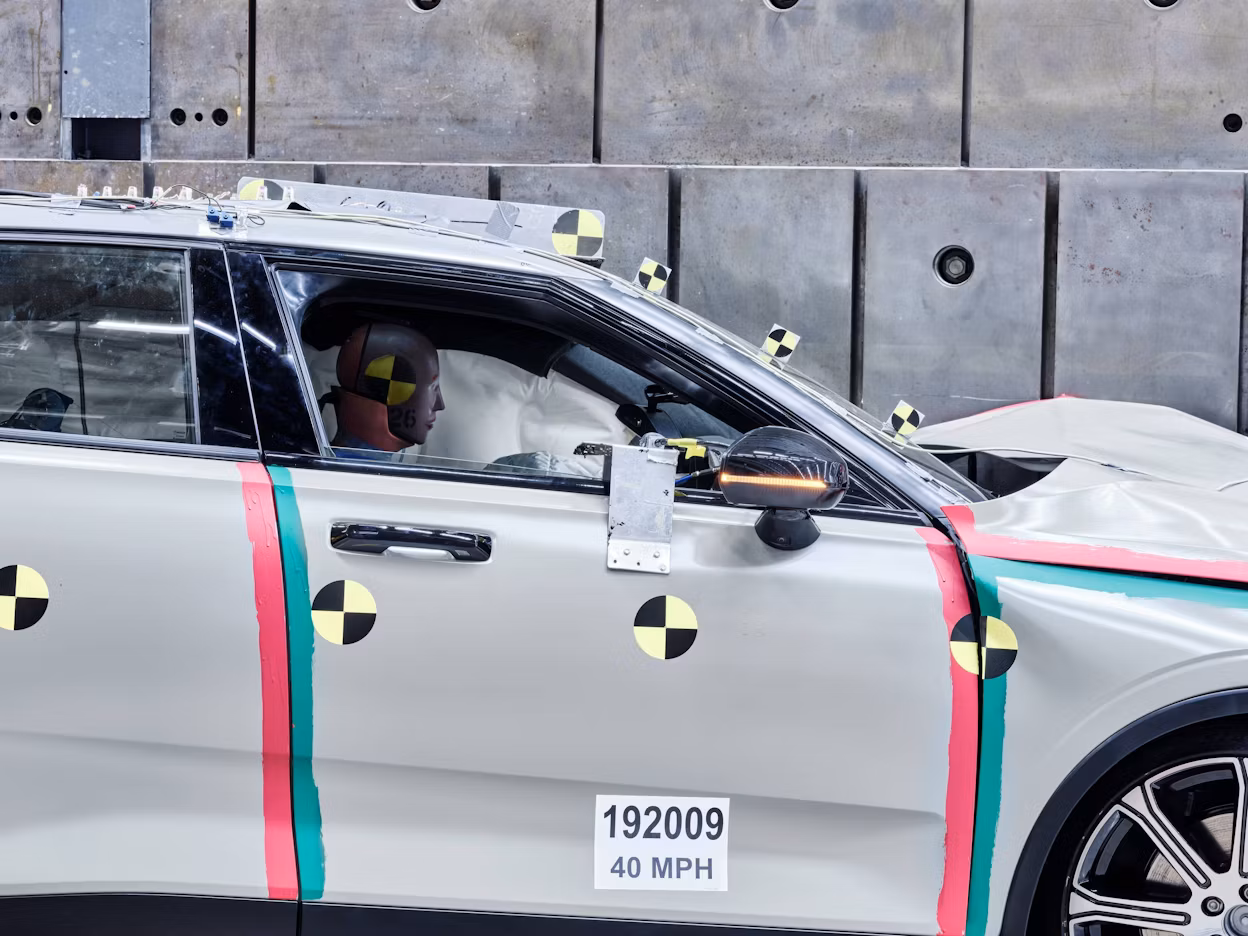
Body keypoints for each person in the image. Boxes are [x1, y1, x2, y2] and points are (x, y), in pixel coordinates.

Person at [329, 322, 444, 459]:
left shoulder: (336, 463)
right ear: (389, 391)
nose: (440, 405)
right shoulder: (354, 469)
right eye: (433, 388)